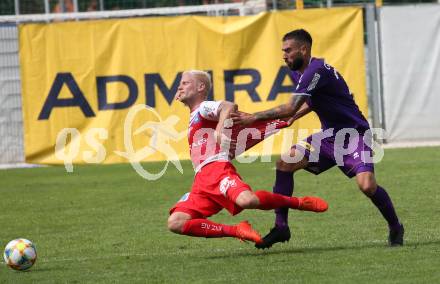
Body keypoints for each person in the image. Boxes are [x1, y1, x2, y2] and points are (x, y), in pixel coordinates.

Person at [232, 29, 404, 248]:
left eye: (288, 50)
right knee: (285, 162)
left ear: (303, 49)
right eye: (283, 51)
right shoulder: (301, 71)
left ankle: (395, 226)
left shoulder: (316, 70)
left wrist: (254, 117)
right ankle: (281, 227)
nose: (284, 55)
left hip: (354, 135)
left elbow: (289, 106)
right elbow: (312, 101)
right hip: (329, 137)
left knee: (367, 186)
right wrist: (294, 116)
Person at [167, 70, 328, 244]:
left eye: (185, 83)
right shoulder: (194, 116)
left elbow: (228, 106)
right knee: (176, 222)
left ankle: (298, 202)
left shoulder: (203, 108)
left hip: (217, 171)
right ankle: (237, 230)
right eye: (180, 84)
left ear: (200, 87)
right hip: (202, 181)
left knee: (248, 200)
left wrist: (220, 131)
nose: (180, 86)